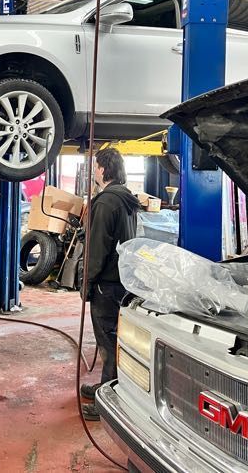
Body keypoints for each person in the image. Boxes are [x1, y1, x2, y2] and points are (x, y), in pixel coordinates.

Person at [80, 147, 140, 421]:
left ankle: (108, 402)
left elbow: (98, 247)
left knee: (107, 341)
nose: (94, 171)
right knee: (115, 338)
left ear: (103, 170)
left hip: (106, 282)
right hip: (122, 281)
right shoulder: (126, 200)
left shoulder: (105, 202)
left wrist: (88, 281)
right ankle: (107, 387)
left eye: (95, 166)